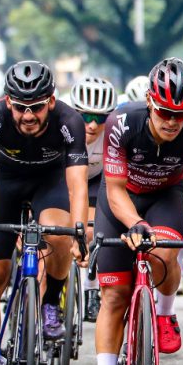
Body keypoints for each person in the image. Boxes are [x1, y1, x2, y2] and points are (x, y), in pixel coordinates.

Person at [88, 58, 183, 365]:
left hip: (166, 197)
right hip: (121, 200)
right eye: (164, 112)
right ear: (149, 101)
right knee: (114, 296)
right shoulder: (122, 121)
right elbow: (113, 189)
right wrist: (135, 224)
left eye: (181, 114)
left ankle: (163, 313)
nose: (172, 121)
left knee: (164, 252)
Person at [0, 60, 89, 365]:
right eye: (20, 107)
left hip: (50, 183)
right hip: (6, 184)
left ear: (50, 101)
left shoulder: (70, 121)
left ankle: (50, 302)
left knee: (58, 234)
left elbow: (77, 186)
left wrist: (79, 232)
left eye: (36, 107)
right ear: (8, 102)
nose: (28, 116)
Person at [69, 75, 118, 321]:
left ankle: (90, 289)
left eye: (100, 118)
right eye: (86, 117)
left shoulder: (112, 134)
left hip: (96, 182)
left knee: (90, 231)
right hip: (64, 179)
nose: (92, 125)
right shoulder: (63, 129)